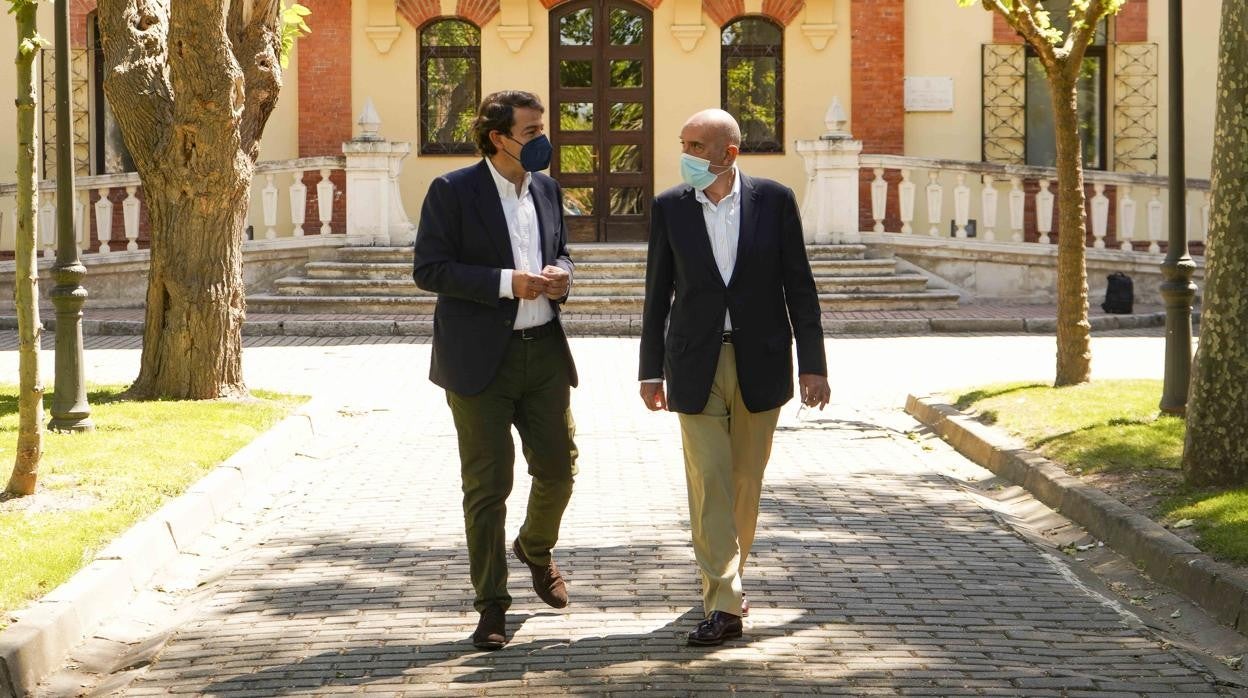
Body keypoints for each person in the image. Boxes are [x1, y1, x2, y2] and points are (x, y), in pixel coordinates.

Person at [638, 109, 830, 646]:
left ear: (730, 152)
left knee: (745, 481)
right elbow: (657, 297)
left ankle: (729, 579)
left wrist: (813, 363)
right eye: (684, 143)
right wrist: (648, 371)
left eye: (697, 145)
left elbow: (800, 286)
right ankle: (723, 601)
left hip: (761, 359)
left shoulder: (775, 201)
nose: (687, 155)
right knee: (709, 482)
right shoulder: (670, 208)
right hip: (693, 362)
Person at [413, 90, 579, 651]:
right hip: (479, 360)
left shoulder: (549, 190)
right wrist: (509, 282)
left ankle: (534, 548)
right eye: (531, 132)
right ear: (497, 138)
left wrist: (560, 274)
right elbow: (429, 269)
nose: (542, 141)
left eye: (541, 130)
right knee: (488, 488)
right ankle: (492, 607)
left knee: (558, 469)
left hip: (545, 353)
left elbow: (564, 252)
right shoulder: (452, 191)